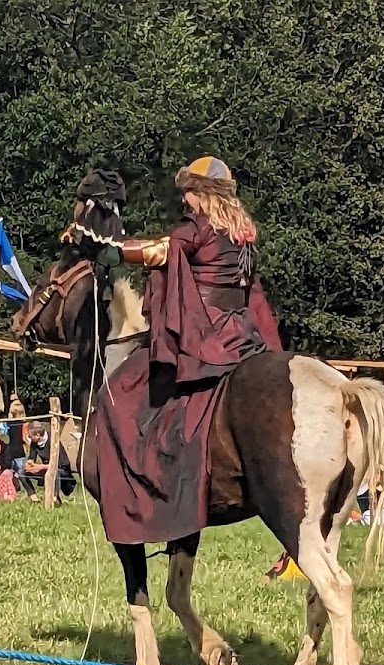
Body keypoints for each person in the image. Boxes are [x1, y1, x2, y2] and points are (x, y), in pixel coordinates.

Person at [91, 156, 282, 544]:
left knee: (122, 390)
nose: (185, 199)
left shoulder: (198, 230)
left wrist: (112, 249)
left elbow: (159, 250)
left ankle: (151, 487)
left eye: (189, 191)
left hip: (205, 336)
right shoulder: (242, 235)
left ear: (202, 194)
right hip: (244, 337)